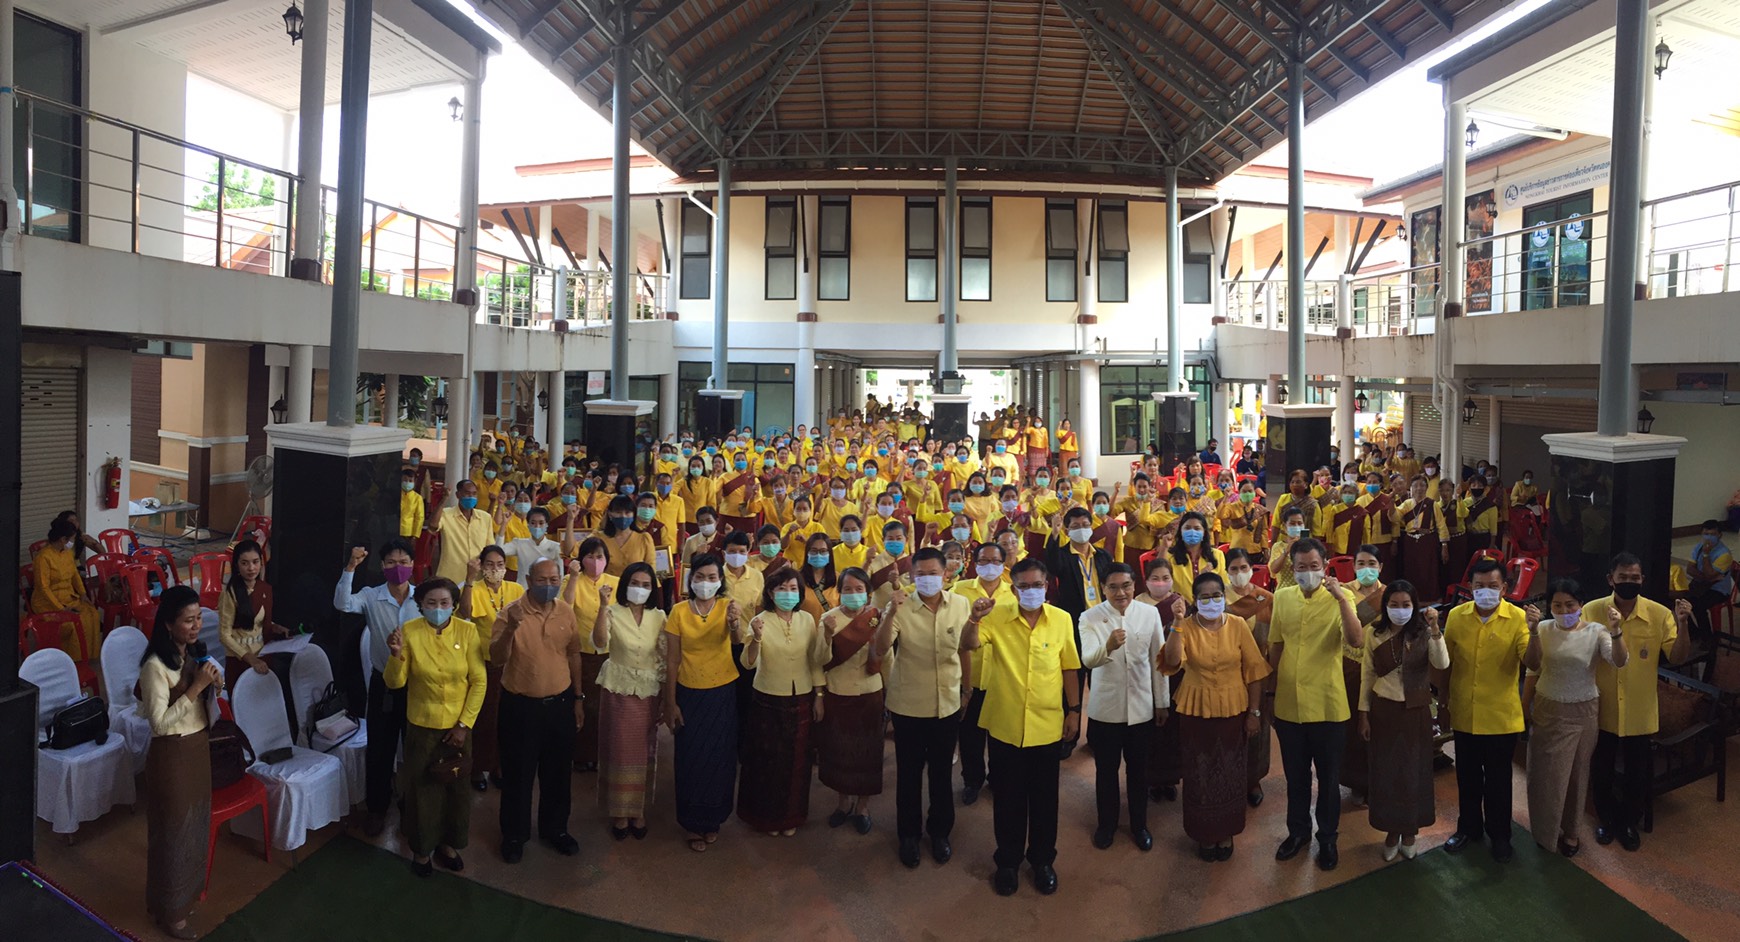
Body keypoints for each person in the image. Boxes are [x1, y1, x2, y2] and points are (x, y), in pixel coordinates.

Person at [977, 557, 1077, 896]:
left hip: (1047, 724)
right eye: (1024, 586)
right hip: (1005, 724)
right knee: (1007, 798)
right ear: (1013, 588)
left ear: (1046, 585)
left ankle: (1042, 861)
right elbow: (968, 644)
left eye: (1037, 585)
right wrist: (973, 618)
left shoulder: (1061, 620)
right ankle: (1007, 861)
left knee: (1045, 799)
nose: (1031, 591)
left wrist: (1075, 710)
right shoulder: (995, 616)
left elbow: (1069, 668)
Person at [874, 546, 976, 869]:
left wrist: (967, 688)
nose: (928, 579)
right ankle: (908, 835)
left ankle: (940, 832)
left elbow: (966, 648)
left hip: (946, 701)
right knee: (908, 773)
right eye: (921, 574)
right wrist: (889, 612)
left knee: (942, 772)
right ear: (911, 576)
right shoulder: (900, 603)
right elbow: (878, 649)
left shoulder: (960, 604)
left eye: (934, 573)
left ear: (946, 574)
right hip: (908, 704)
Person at [1268, 537, 1363, 871]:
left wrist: (1340, 599)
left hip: (1328, 704)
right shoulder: (1282, 598)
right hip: (1289, 704)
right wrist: (1269, 693)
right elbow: (1276, 646)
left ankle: (1328, 838)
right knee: (1295, 778)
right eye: (1301, 567)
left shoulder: (1342, 597)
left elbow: (1356, 639)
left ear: (1325, 566)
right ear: (1292, 569)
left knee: (1328, 778)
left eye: (1314, 566)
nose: (1308, 572)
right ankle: (1298, 833)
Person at [1586, 553, 1692, 852]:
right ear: (1611, 579)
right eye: (1623, 577)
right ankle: (1606, 819)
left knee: (1636, 773)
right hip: (1603, 706)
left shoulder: (1659, 615)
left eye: (1635, 578)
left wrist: (1683, 625)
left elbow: (1679, 656)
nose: (1629, 582)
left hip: (1639, 708)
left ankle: (1630, 822)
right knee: (1603, 770)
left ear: (1642, 580)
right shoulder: (1593, 611)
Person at [1164, 571, 1269, 861]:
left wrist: (1254, 712)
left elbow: (1255, 671)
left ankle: (1226, 832)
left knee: (1231, 772)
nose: (1212, 601)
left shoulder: (1236, 625)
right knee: (1199, 773)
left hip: (1234, 709)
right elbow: (1172, 661)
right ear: (1195, 601)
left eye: (1217, 595)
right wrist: (1175, 623)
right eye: (1205, 597)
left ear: (1224, 598)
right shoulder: (1184, 626)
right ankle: (1203, 834)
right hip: (1195, 710)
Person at [384, 578, 485, 876]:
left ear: (453, 605)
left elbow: (478, 681)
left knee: (456, 787)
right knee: (423, 791)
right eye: (431, 603)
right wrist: (395, 655)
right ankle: (422, 849)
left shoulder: (467, 632)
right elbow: (395, 682)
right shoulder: (409, 633)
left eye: (444, 603)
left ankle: (449, 845)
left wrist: (464, 724)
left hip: (459, 728)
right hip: (423, 727)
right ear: (420, 606)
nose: (438, 609)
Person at [489, 557, 584, 863]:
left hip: (560, 704)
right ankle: (515, 835)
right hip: (520, 708)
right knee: (517, 775)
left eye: (554, 580)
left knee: (558, 774)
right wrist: (511, 629)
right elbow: (497, 659)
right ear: (529, 580)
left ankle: (555, 829)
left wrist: (578, 698)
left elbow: (574, 655)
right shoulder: (510, 613)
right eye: (542, 580)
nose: (549, 586)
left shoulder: (566, 612)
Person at [1523, 578, 1626, 858]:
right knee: (1544, 775)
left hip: (1583, 711)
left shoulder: (1597, 631)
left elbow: (1619, 661)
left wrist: (1617, 633)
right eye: (1557, 605)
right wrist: (1532, 632)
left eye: (1570, 604)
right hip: (1547, 708)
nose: (1563, 609)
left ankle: (1571, 832)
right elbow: (1531, 666)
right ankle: (1545, 831)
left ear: (1581, 605)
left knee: (1576, 775)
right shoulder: (1542, 628)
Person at [137, 586, 218, 939]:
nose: (196, 625)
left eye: (199, 618)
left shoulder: (193, 653)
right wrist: (196, 688)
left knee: (195, 827)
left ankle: (182, 900)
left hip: (198, 746)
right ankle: (171, 912)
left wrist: (213, 684)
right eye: (188, 620)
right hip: (172, 756)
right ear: (169, 624)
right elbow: (159, 724)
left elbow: (203, 700)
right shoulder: (154, 666)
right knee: (173, 833)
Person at [1441, 557, 1533, 862]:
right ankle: (1468, 828)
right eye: (1479, 586)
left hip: (1500, 717)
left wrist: (1535, 632)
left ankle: (1500, 835)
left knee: (1498, 781)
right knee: (1466, 777)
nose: (1485, 592)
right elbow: (1445, 664)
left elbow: (1531, 661)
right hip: (1465, 712)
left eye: (1492, 586)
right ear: (1470, 587)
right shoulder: (1456, 616)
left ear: (1504, 588)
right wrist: (1442, 702)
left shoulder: (1518, 618)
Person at [1079, 563, 1169, 852]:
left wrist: (1162, 702)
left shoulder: (1149, 613)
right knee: (1106, 771)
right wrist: (1107, 646)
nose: (1121, 592)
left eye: (1127, 585)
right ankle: (1106, 825)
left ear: (1135, 585)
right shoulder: (1089, 617)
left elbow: (1160, 660)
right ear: (1103, 588)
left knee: (1139, 771)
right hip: (1106, 709)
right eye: (1114, 587)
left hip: (1142, 707)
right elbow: (1088, 660)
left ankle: (1139, 825)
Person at [334, 539, 420, 836]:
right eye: (392, 563)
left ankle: (412, 801)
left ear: (413, 565)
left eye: (404, 561)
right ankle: (377, 809)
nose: (399, 568)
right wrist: (350, 568)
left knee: (414, 747)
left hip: (416, 684)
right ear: (383, 567)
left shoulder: (422, 598)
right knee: (380, 749)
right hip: (383, 682)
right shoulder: (371, 596)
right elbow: (343, 603)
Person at [1358, 581, 1448, 861]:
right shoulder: (1375, 633)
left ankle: (1410, 830)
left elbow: (1442, 663)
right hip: (1383, 709)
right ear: (1385, 607)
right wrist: (1363, 715)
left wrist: (1435, 630)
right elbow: (1367, 676)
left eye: (1406, 605)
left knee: (1414, 771)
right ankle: (1391, 830)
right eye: (1393, 605)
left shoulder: (1423, 632)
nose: (1400, 610)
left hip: (1415, 711)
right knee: (1386, 772)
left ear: (1415, 606)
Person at [737, 568, 826, 835]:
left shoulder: (807, 620)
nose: (787, 594)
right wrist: (756, 637)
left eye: (792, 589)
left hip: (801, 696)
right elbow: (747, 663)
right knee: (767, 761)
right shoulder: (760, 620)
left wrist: (819, 695)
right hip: (767, 698)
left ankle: (791, 818)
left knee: (797, 761)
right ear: (770, 592)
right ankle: (766, 819)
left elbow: (814, 660)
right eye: (781, 589)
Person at [663, 553, 742, 852]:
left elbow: (736, 643)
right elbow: (672, 661)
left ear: (720, 581)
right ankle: (692, 823)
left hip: (722, 691)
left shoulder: (727, 607)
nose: (706, 583)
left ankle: (714, 819)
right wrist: (670, 703)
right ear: (690, 579)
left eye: (712, 578)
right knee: (691, 759)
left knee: (720, 758)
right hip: (689, 691)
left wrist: (734, 623)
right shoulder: (679, 611)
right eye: (700, 577)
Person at [589, 562, 666, 840]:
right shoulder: (613, 611)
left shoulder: (659, 616)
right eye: (635, 583)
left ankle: (638, 810)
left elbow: (663, 655)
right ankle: (619, 812)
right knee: (619, 751)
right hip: (618, 689)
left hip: (648, 690)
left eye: (646, 585)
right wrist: (601, 605)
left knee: (644, 751)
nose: (640, 589)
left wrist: (664, 695)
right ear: (625, 585)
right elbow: (599, 642)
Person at [1036, 505, 1114, 758]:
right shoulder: (1062, 554)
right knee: (1074, 680)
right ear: (1069, 530)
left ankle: (1097, 737)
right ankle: (1069, 736)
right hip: (1074, 623)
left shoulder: (1102, 556)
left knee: (1100, 681)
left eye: (1085, 524)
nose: (1082, 529)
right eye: (1076, 526)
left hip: (1100, 624)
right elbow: (1052, 566)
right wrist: (1055, 533)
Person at [817, 568, 884, 834]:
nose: (853, 594)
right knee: (838, 751)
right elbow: (817, 661)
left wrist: (887, 690)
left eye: (859, 590)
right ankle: (843, 803)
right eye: (847, 589)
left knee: (867, 753)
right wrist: (826, 636)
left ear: (868, 593)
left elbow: (887, 660)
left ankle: (863, 807)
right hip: (837, 693)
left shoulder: (876, 618)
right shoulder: (827, 619)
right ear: (839, 592)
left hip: (870, 694)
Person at [460, 545, 523, 792]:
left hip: (510, 662)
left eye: (499, 564)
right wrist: (468, 580)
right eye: (489, 564)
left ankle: (499, 765)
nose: (495, 569)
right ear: (481, 567)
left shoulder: (515, 589)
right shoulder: (473, 589)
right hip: (482, 661)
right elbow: (465, 613)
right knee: (484, 717)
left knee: (508, 718)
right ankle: (477, 767)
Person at [30, 518, 102, 654]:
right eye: (71, 539)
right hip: (47, 602)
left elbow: (75, 574)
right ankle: (67, 657)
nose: (72, 543)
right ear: (63, 539)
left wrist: (83, 594)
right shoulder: (43, 558)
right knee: (73, 623)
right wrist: (61, 609)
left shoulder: (68, 553)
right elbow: (43, 588)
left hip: (68, 597)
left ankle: (85, 655)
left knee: (92, 614)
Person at [435, 480, 496, 584]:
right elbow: (433, 526)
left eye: (474, 494)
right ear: (458, 495)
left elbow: (489, 547)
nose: (471, 497)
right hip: (451, 575)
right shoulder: (446, 514)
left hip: (477, 577)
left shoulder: (486, 518)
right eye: (467, 493)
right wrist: (443, 500)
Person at [1685, 520, 1733, 642]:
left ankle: (1707, 638)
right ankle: (1694, 632)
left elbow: (1709, 574)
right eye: (1706, 533)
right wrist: (1706, 577)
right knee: (1679, 602)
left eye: (1712, 534)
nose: (1708, 537)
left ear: (1719, 535)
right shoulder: (1698, 547)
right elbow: (1690, 569)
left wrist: (1706, 555)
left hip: (1718, 590)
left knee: (1698, 606)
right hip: (1700, 585)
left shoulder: (1724, 554)